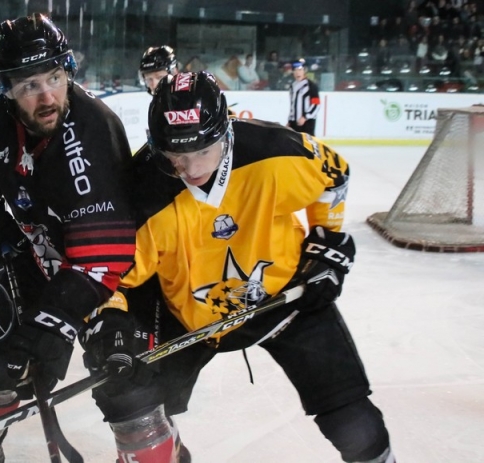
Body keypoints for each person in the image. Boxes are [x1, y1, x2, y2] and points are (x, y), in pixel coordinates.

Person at [80, 71, 394, 463]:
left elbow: (334, 175)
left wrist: (324, 242)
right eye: (175, 155)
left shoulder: (274, 152)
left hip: (284, 295)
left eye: (202, 151)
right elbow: (111, 277)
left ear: (225, 132)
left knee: (354, 424)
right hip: (184, 313)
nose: (190, 168)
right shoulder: (141, 189)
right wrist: (110, 326)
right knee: (131, 406)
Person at [0, 13, 136, 463]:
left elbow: (102, 261)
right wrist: (5, 250)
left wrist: (52, 326)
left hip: (111, 272)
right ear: (7, 89)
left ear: (68, 70)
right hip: (38, 255)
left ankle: (151, 450)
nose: (47, 95)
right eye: (29, 85)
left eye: (54, 77)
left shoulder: (94, 135)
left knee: (126, 383)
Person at [288, 58, 320, 136]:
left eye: (300, 70)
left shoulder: (311, 85)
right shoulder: (292, 86)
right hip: (294, 124)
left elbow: (316, 104)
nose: (297, 73)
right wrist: (290, 121)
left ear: (304, 71)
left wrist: (305, 117)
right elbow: (293, 106)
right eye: (295, 70)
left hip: (307, 123)